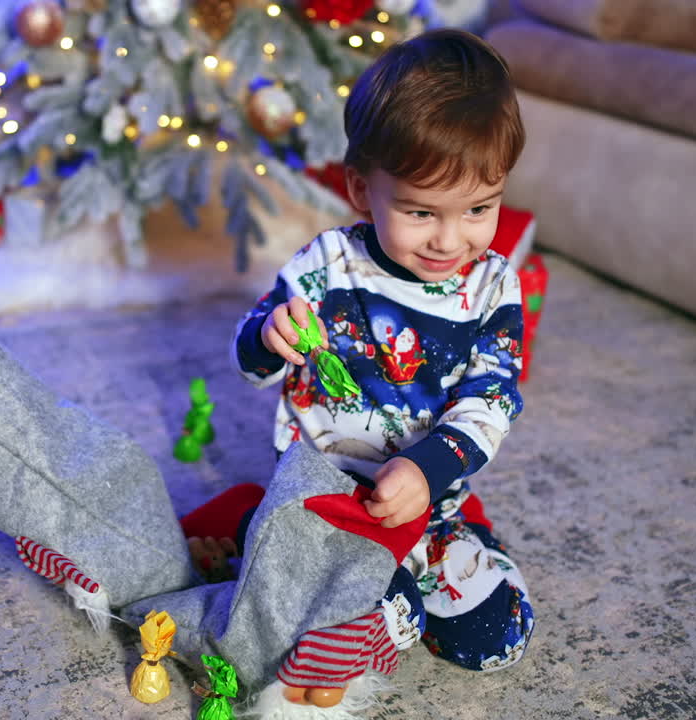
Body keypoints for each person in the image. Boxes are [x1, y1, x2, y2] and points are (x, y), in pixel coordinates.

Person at [186, 28, 536, 704]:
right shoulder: (327, 265)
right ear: (360, 188)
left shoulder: (494, 286)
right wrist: (270, 335)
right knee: (320, 606)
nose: (450, 239)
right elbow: (248, 362)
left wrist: (427, 469)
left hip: (426, 505)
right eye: (420, 211)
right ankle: (343, 600)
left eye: (479, 209)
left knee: (496, 638)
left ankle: (373, 581)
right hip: (323, 500)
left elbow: (492, 400)